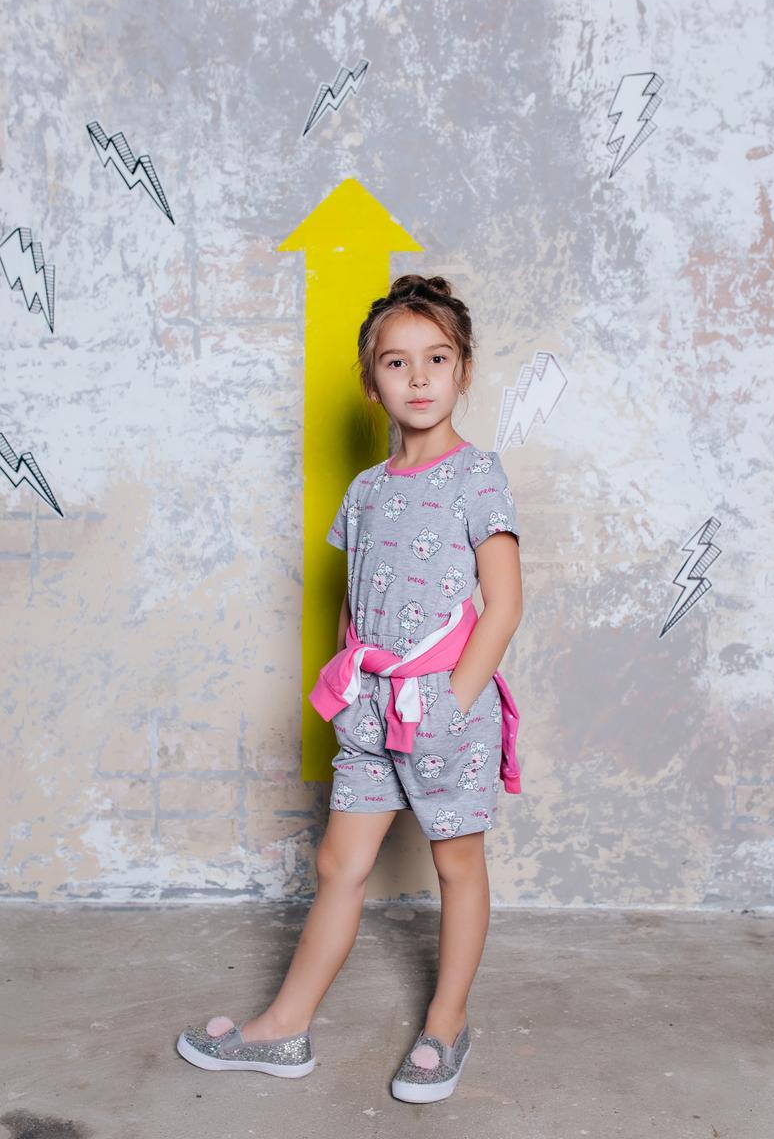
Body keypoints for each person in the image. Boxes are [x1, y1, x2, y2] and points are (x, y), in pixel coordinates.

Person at [177, 274, 524, 1103]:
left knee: (457, 865)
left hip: (443, 709)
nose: (418, 377)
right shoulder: (366, 489)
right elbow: (354, 594)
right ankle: (283, 1026)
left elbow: (505, 603)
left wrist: (454, 699)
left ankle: (446, 1023)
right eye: (397, 362)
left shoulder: (477, 475)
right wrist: (349, 682)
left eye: (436, 358)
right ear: (372, 383)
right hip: (369, 708)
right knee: (340, 861)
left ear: (463, 370)